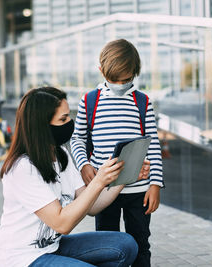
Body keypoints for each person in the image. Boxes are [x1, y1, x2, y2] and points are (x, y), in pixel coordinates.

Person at [0, 87, 146, 267]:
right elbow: (62, 224)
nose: (70, 123)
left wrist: (125, 177)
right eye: (63, 119)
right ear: (42, 126)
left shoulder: (61, 155)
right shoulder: (23, 168)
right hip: (24, 259)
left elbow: (93, 206)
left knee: (125, 245)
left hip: (53, 247)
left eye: (69, 116)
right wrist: (98, 181)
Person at [70, 39, 164, 267]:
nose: (120, 84)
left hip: (139, 190)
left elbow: (152, 145)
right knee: (107, 247)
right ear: (101, 71)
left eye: (127, 79)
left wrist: (155, 185)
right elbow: (77, 138)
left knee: (141, 244)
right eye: (114, 80)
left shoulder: (142, 102)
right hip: (103, 191)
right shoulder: (89, 101)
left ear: (135, 73)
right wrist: (84, 165)